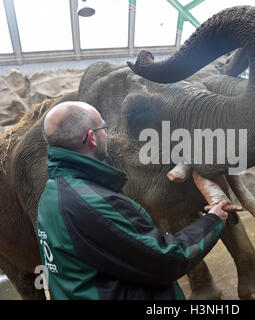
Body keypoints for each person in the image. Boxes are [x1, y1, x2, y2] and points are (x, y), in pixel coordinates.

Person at [37, 101, 229, 300]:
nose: (107, 135)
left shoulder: (51, 193)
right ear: (92, 137)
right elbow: (164, 261)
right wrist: (212, 222)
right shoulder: (93, 203)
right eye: (104, 128)